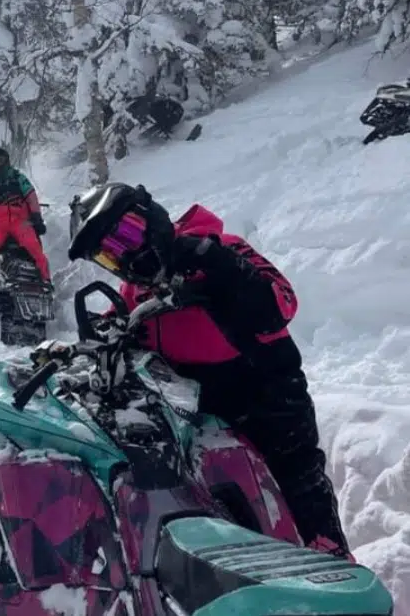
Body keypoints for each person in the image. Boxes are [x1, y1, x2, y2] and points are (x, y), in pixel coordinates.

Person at [66, 182, 353, 560]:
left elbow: (281, 303)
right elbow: (120, 323)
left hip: (267, 400)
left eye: (127, 235)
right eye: (110, 255)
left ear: (150, 216)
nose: (127, 256)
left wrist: (218, 266)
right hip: (198, 418)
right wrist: (96, 340)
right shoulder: (140, 292)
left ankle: (336, 565)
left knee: (299, 490)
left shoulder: (220, 246)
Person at [0, 147, 52, 284]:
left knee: (34, 246)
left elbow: (31, 195)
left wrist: (36, 216)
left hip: (21, 219)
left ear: (6, 161)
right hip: (0, 221)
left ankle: (45, 279)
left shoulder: (17, 177)